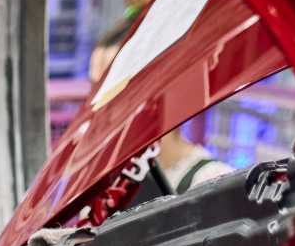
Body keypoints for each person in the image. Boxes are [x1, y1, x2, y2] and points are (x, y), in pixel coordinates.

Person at [88, 15, 233, 202]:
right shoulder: (106, 187)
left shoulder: (211, 181)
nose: (99, 105)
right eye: (95, 88)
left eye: (114, 88)